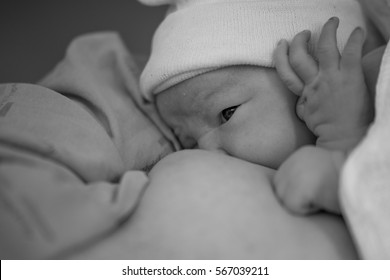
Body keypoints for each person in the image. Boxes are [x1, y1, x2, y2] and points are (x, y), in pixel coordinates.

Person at [138, 0, 382, 214]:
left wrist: (343, 149)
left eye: (227, 114)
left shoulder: (380, 77)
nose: (207, 153)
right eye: (190, 143)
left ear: (310, 71)